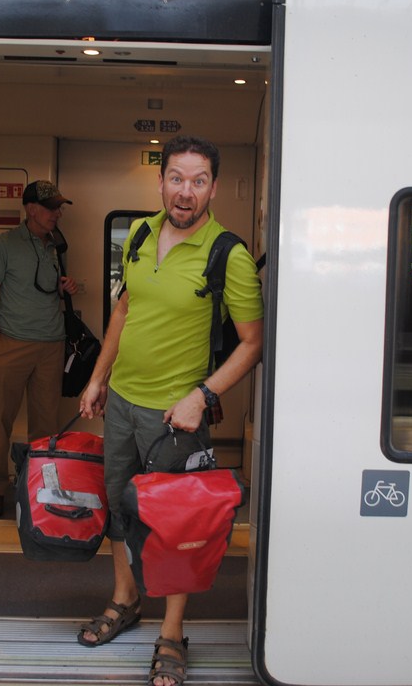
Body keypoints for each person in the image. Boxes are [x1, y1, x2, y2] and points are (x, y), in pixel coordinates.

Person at [77, 136, 263, 686]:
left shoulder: (229, 255)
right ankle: (125, 599)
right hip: (122, 403)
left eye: (198, 181)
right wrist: (99, 377)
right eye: (177, 179)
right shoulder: (138, 233)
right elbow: (124, 311)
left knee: (177, 525)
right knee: (119, 508)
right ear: (160, 182)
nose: (186, 192)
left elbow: (253, 342)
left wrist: (201, 396)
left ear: (214, 188)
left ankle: (173, 634)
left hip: (176, 418)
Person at [0, 180, 78, 518]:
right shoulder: (4, 244)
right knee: (0, 422)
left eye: (59, 207)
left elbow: (50, 291)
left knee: (46, 427)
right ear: (32, 209)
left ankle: (38, 486)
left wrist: (66, 287)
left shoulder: (56, 245)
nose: (58, 213)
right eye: (52, 208)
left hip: (51, 345)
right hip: (12, 344)